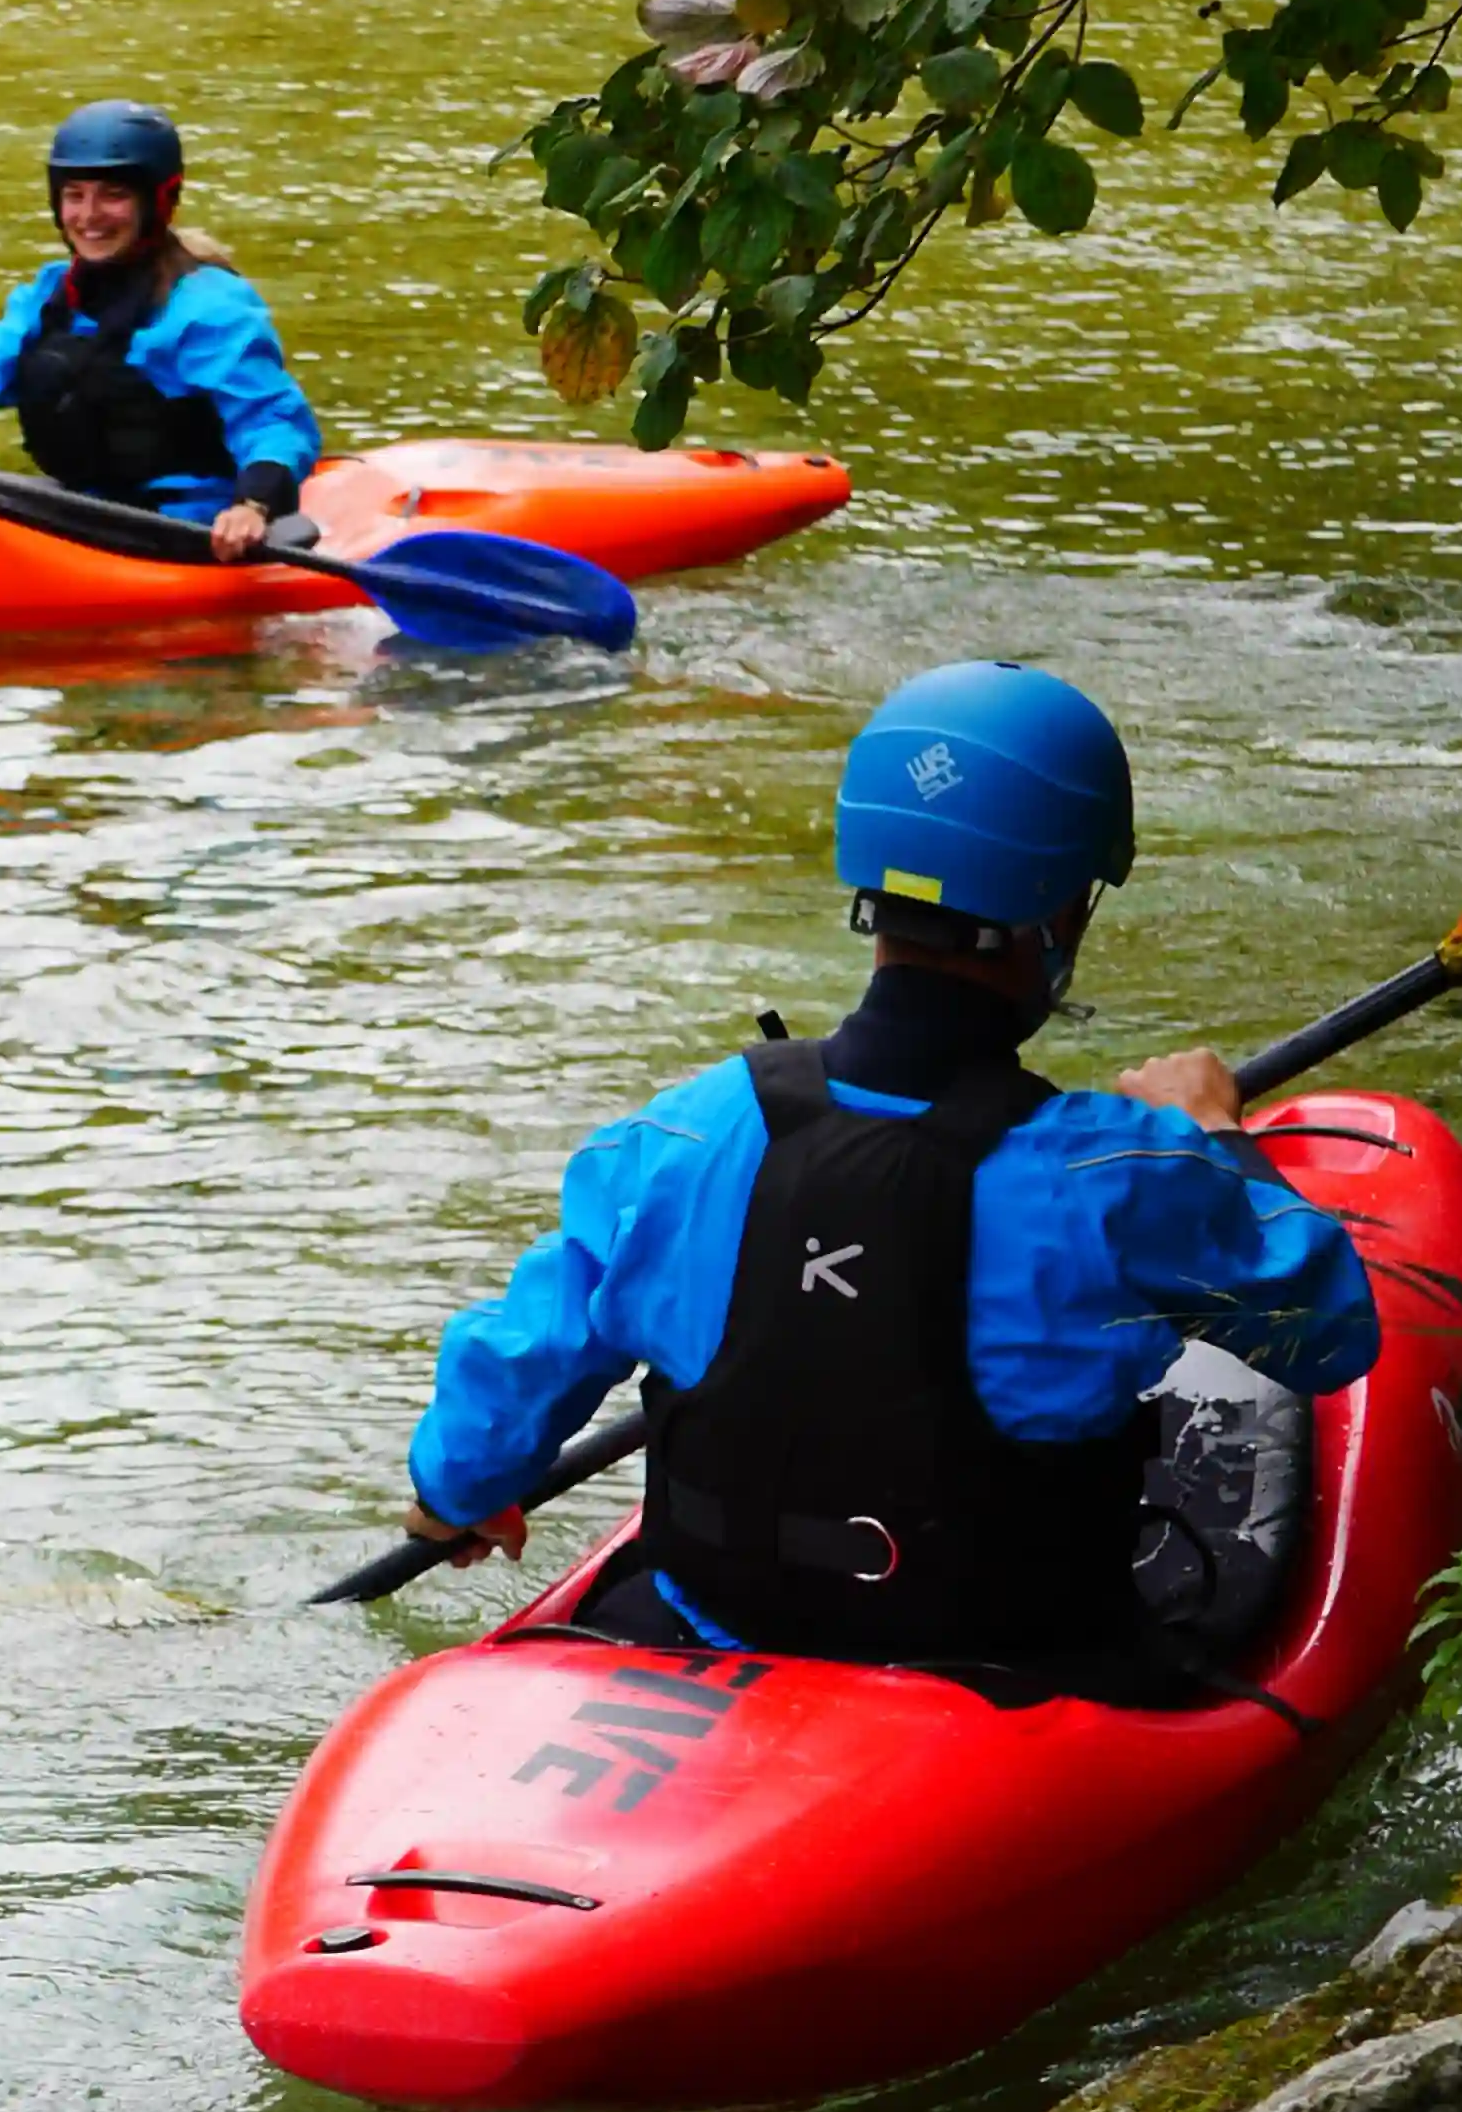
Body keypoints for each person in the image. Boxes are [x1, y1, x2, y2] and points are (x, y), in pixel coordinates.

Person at [394, 662, 1384, 1669]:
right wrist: (1216, 1133)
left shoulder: (682, 1135)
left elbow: (525, 1350)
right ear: (1058, 919)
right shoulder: (1119, 1173)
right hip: (1007, 1665)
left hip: (717, 1622)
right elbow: (1329, 1332)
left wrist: (453, 1494)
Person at [0, 101, 322, 563]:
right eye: (75, 195)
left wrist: (252, 507)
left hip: (189, 529)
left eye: (113, 195)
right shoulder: (51, 294)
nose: (89, 216)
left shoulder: (207, 309)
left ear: (157, 201)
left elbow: (272, 422)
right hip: (84, 511)